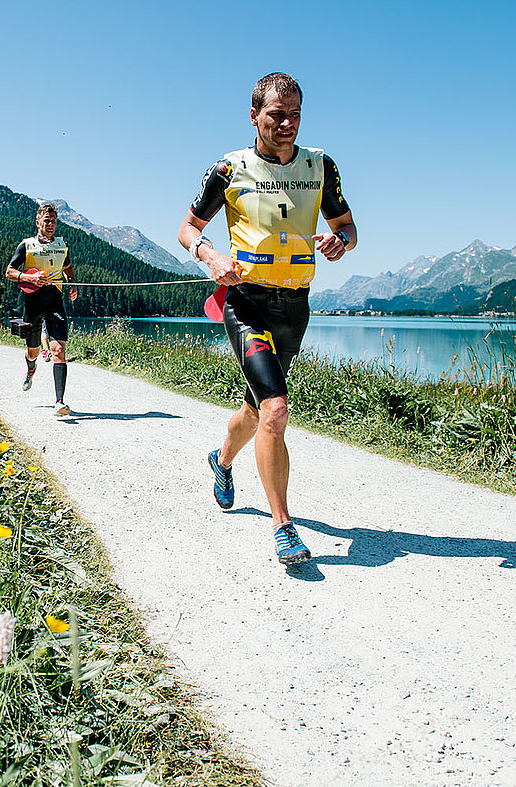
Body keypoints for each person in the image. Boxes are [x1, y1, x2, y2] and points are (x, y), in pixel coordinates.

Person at [178, 72, 357, 565]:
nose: (287, 124)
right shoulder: (229, 169)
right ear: (254, 115)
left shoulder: (321, 166)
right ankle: (284, 528)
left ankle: (222, 458)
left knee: (258, 410)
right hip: (246, 302)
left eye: (295, 114)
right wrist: (211, 256)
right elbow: (188, 228)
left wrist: (340, 241)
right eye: (277, 114)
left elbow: (348, 226)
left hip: (293, 306)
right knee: (276, 409)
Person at [4, 203, 78, 415]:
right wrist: (29, 277)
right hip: (33, 304)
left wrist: (72, 283)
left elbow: (68, 268)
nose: (51, 225)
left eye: (54, 221)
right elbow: (9, 272)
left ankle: (60, 402)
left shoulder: (62, 246)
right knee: (33, 350)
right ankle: (30, 369)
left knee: (58, 350)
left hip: (55, 302)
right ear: (38, 223)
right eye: (47, 221)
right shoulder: (26, 246)